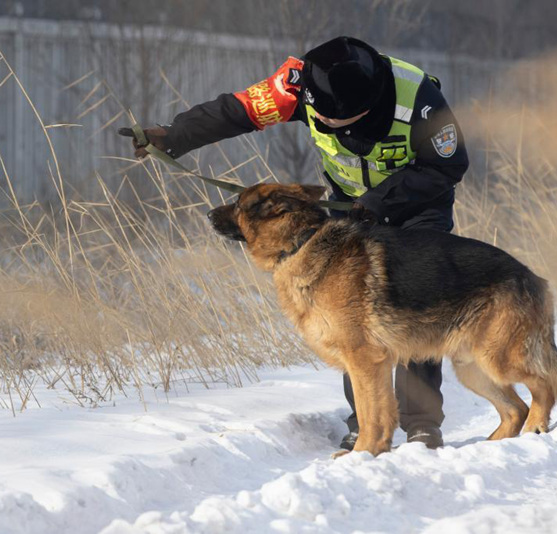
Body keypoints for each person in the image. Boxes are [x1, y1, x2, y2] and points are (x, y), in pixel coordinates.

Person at [122, 36, 469, 451]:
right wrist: (173, 136)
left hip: (416, 206)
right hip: (350, 207)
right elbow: (235, 112)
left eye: (331, 120)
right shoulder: (297, 84)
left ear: (366, 108)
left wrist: (376, 202)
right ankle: (365, 421)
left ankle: (421, 424)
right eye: (317, 116)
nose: (320, 122)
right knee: (347, 314)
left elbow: (448, 164)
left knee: (413, 307)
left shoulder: (419, 100)